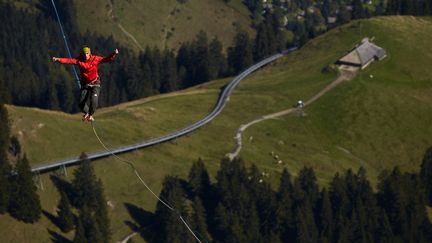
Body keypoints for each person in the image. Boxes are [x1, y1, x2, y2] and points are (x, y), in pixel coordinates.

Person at [52, 47, 119, 122]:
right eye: (84, 54)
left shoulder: (95, 59)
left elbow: (106, 59)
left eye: (87, 53)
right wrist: (58, 59)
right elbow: (69, 61)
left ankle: (90, 115)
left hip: (95, 83)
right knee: (81, 103)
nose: (86, 55)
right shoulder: (79, 60)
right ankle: (87, 113)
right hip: (85, 84)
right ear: (82, 54)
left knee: (94, 101)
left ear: (89, 53)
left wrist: (113, 54)